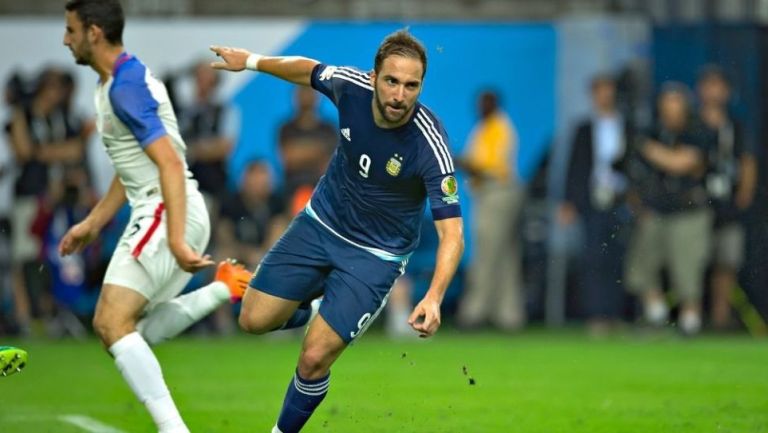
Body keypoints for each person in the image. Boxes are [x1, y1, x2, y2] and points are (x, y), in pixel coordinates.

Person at [210, 28, 464, 433]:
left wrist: (433, 298)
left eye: (411, 85)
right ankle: (314, 307)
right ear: (374, 75)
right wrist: (252, 61)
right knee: (252, 321)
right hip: (320, 224)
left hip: (374, 258)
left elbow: (453, 233)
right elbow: (307, 69)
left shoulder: (429, 144)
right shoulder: (350, 87)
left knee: (312, 359)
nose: (400, 95)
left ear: (421, 86)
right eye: (392, 81)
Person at [61, 2, 251, 432]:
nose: (64, 39)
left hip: (166, 209)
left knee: (110, 322)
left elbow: (167, 163)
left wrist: (179, 240)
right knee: (132, 333)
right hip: (167, 206)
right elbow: (133, 167)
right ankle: (222, 288)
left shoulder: (124, 88)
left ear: (94, 32)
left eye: (70, 29)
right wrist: (93, 223)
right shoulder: (119, 81)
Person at [625, 83, 713, 335]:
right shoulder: (652, 130)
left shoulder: (698, 132)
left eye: (676, 106)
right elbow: (633, 172)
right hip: (655, 210)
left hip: (689, 211)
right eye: (666, 106)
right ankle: (655, 314)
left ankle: (689, 322)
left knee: (687, 270)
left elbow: (679, 163)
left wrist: (646, 146)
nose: (671, 112)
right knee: (641, 266)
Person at [559, 75, 633, 334]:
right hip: (591, 200)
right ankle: (596, 314)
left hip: (620, 200)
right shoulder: (584, 128)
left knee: (618, 258)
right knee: (592, 258)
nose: (605, 95)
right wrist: (568, 202)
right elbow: (575, 166)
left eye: (609, 89)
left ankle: (615, 313)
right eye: (600, 90)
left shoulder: (628, 125)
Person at [455, 90, 525, 331]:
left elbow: (487, 168)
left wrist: (459, 161)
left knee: (486, 252)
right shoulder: (486, 128)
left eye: (485, 103)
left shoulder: (499, 127)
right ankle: (509, 315)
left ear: (495, 104)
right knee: (504, 255)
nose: (481, 107)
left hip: (497, 192)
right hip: (492, 193)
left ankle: (474, 313)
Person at [696, 66, 757, 330]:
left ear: (728, 91)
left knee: (727, 261)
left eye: (718, 86)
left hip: (727, 202)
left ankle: (720, 317)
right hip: (696, 202)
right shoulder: (691, 123)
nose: (713, 91)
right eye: (709, 85)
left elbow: (747, 161)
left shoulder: (736, 125)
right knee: (695, 261)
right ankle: (692, 316)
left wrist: (745, 192)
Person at [278, 85, 336, 214]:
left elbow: (329, 163)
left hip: (322, 188)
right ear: (295, 97)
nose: (306, 96)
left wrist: (300, 151)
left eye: (309, 92)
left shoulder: (328, 129)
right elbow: (288, 158)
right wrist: (318, 151)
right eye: (302, 92)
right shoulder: (286, 129)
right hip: (292, 189)